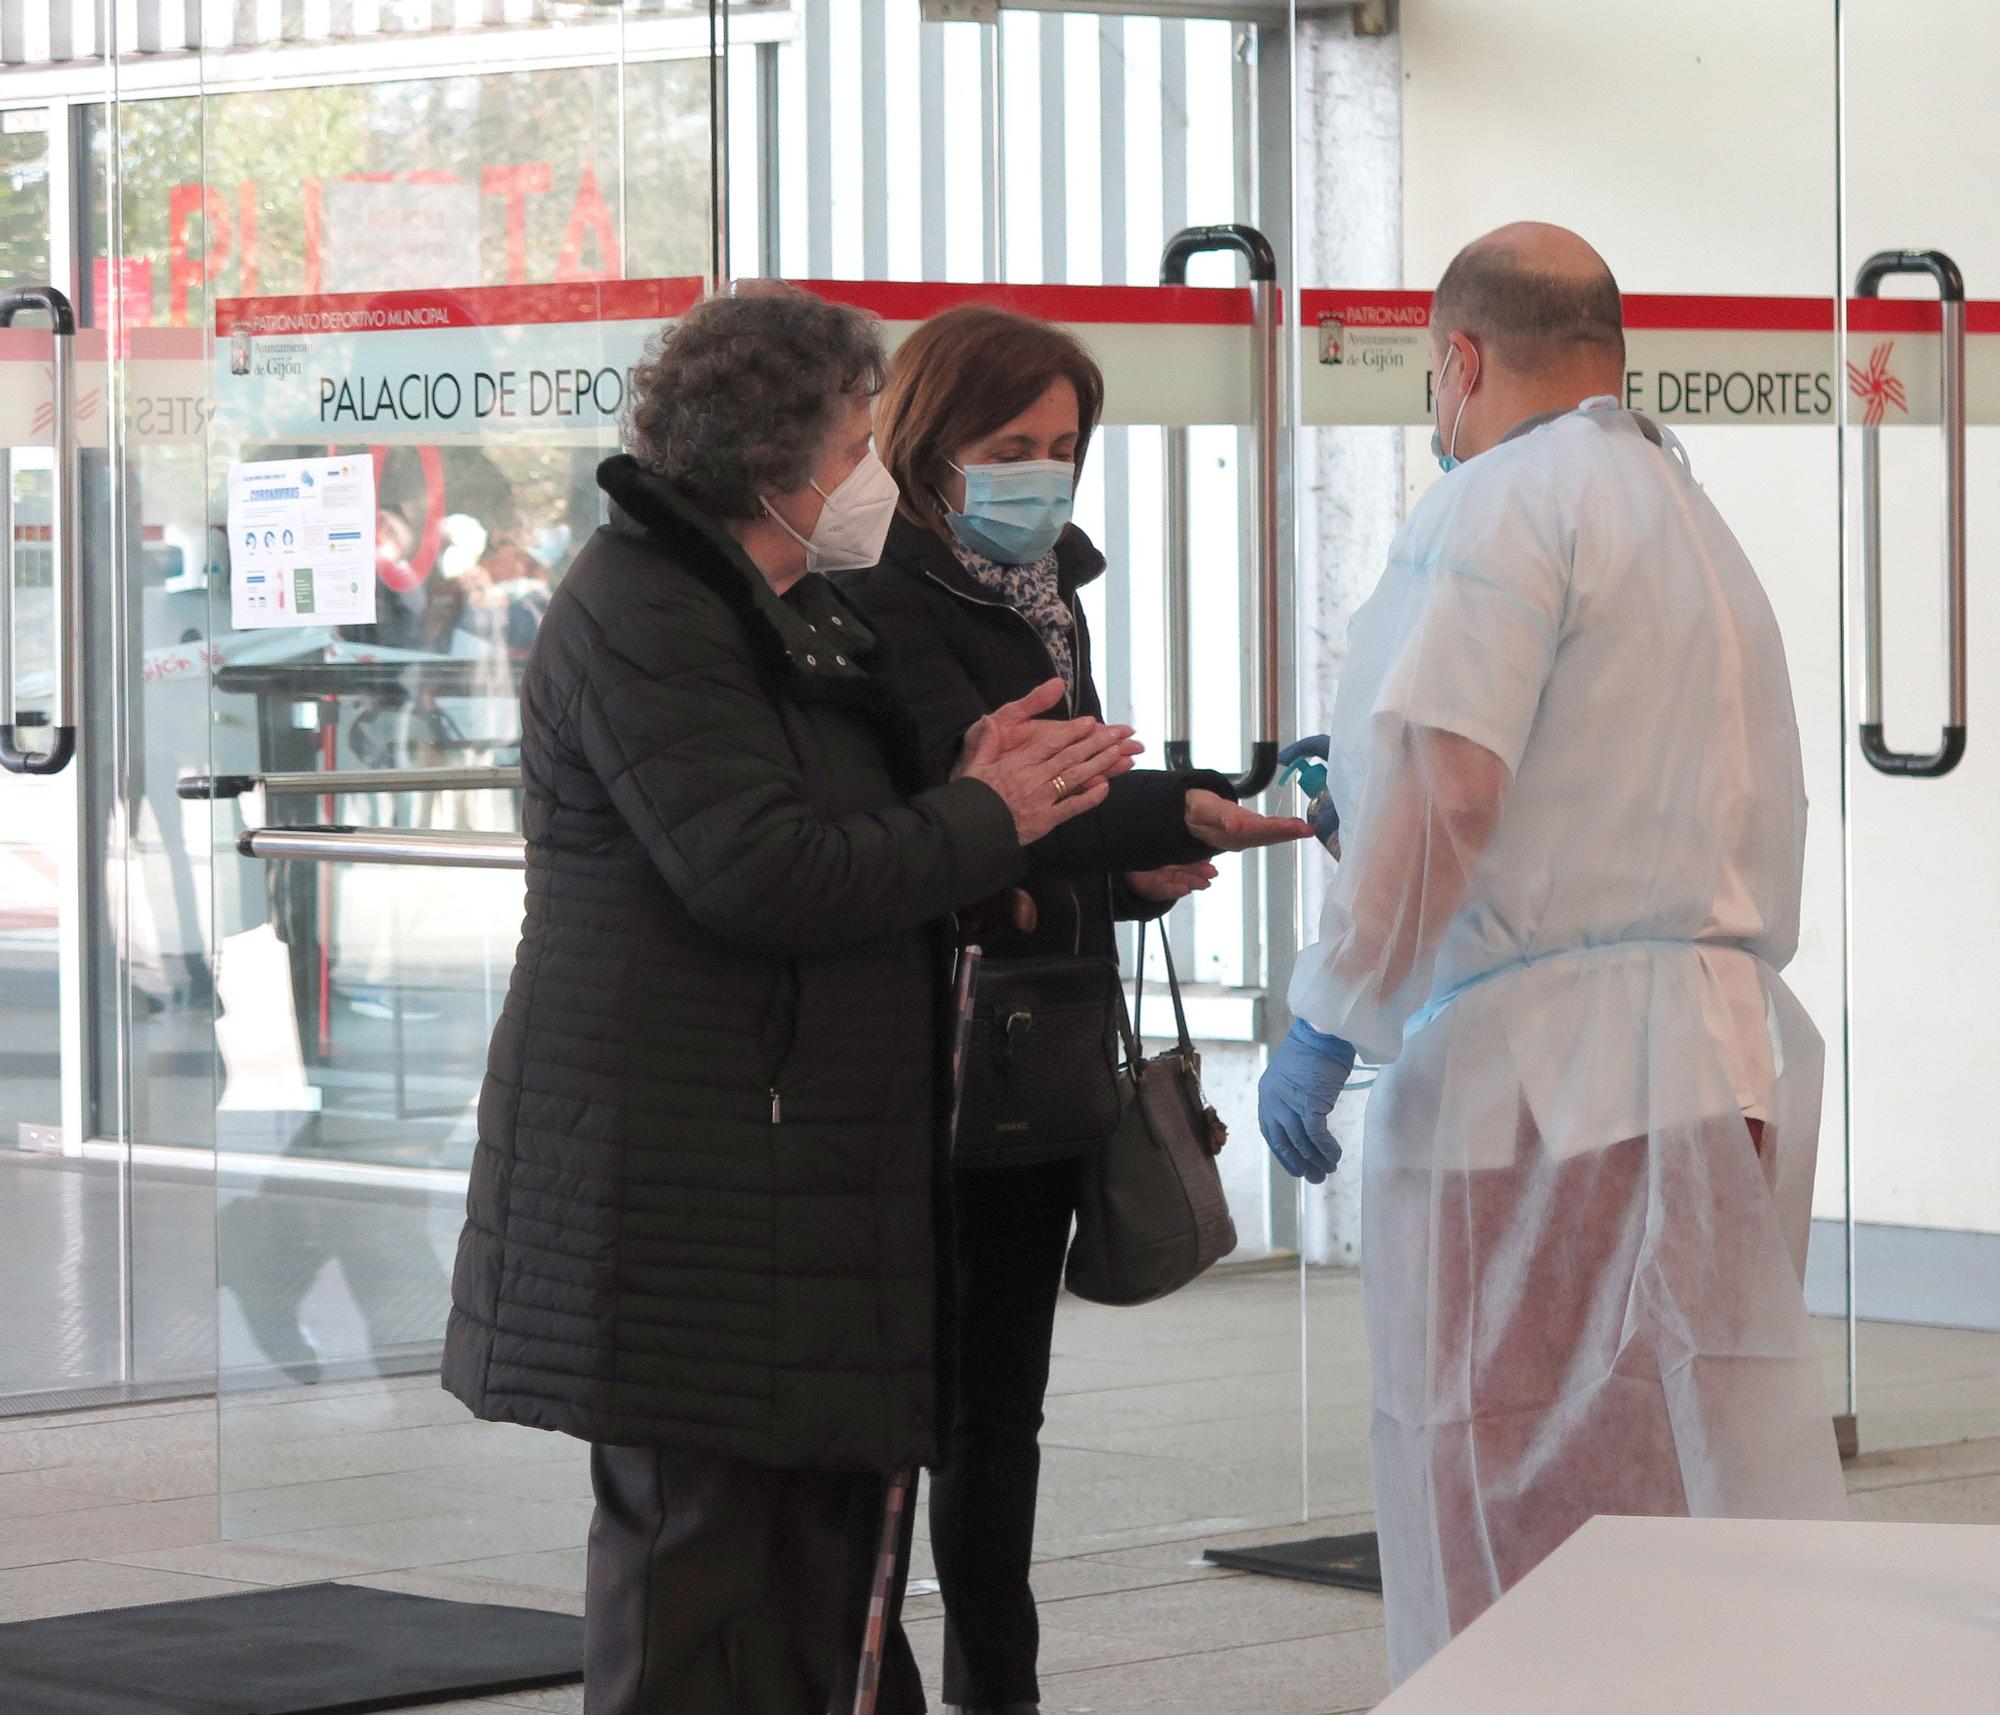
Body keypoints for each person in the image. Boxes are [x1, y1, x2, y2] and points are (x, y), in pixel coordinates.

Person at [440, 286, 1142, 1715]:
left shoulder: (786, 608)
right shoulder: (645, 609)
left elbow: (886, 834)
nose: (879, 469)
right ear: (778, 459)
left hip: (799, 1182)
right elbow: (756, 870)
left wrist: (987, 801)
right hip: (693, 1186)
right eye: (863, 438)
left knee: (819, 1600)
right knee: (702, 1597)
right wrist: (979, 813)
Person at [1259, 224, 1848, 1682]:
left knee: (1509, 1470)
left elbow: (1447, 788)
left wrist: (1338, 1006)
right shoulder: (1681, 509)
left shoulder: (1498, 504)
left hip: (1546, 1082)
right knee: (1671, 1466)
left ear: (1457, 362)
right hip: (1714, 1057)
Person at [839, 303, 1310, 1715]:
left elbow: (1059, 818)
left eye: (1062, 446)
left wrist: (1148, 867)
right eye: (1008, 447)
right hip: (927, 1055)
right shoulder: (878, 596)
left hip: (1043, 1049)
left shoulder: (1048, 583)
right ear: (927, 448)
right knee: (896, 1418)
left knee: (1004, 1419)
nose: (1040, 474)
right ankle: (881, 1680)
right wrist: (1162, 810)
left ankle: (1005, 1693)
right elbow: (976, 804)